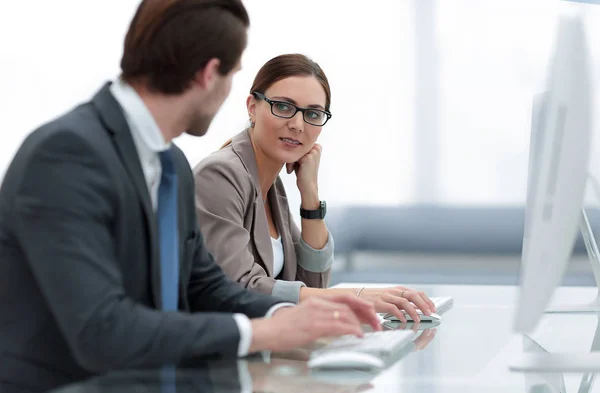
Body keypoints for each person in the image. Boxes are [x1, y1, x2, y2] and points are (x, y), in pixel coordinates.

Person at [0, 2, 381, 392]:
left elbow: (206, 286)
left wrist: (295, 313)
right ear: (208, 73)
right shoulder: (67, 153)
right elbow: (102, 328)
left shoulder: (171, 165)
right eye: (232, 75)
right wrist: (258, 334)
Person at [193, 54, 436, 323]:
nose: (298, 124)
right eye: (283, 107)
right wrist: (355, 296)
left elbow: (312, 284)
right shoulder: (220, 175)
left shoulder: (272, 186)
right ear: (252, 106)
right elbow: (238, 288)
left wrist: (310, 195)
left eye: (312, 114)